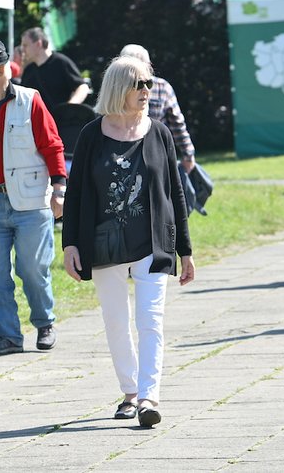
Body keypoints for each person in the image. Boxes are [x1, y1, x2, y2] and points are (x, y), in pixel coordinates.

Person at [62, 55, 195, 427]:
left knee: (150, 320)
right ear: (119, 88)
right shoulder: (91, 135)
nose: (146, 90)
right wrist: (70, 244)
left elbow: (175, 193)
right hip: (103, 244)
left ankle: (149, 396)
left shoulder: (159, 133)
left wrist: (185, 250)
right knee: (116, 322)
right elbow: (75, 193)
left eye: (148, 83)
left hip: (152, 243)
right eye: (139, 84)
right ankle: (130, 392)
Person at [0, 39, 66, 355]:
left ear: (0, 70)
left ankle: (44, 323)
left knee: (33, 269)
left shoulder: (30, 100)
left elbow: (52, 146)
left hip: (32, 202)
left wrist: (59, 189)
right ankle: (8, 336)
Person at [118, 44, 196, 173]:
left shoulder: (162, 87)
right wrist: (188, 154)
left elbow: (177, 124)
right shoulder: (116, 89)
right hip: (135, 154)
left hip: (150, 154)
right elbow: (177, 124)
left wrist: (188, 154)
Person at [20, 27, 90, 110]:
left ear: (38, 44)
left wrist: (70, 107)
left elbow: (82, 87)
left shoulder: (61, 62)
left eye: (25, 45)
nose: (22, 50)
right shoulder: (28, 71)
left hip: (61, 117)